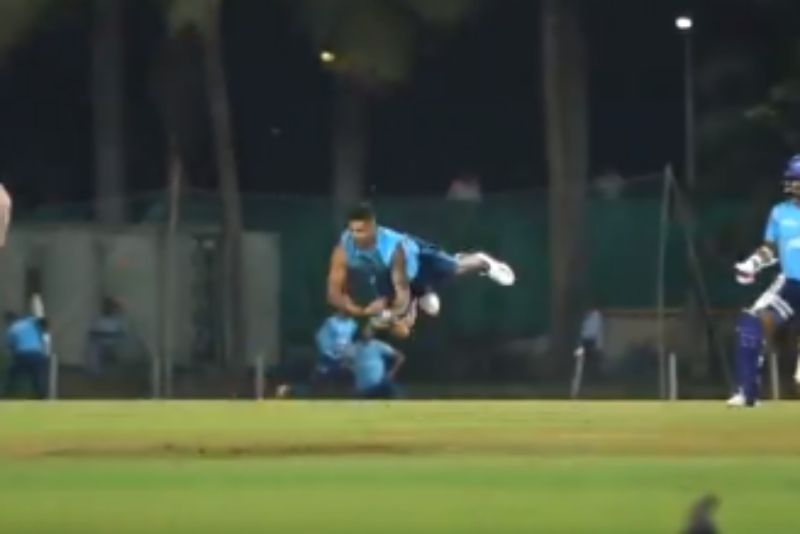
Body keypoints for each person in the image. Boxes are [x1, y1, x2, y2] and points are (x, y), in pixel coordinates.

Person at [326, 202, 515, 339]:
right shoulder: (345, 246)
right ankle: (423, 293)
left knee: (455, 268)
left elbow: (401, 293)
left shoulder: (391, 250)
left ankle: (483, 262)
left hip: (419, 259)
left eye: (363, 231)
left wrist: (392, 314)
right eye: (354, 231)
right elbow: (336, 286)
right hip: (389, 276)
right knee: (422, 312)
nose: (358, 236)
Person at [733, 154, 800, 406]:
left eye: (799, 180)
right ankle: (747, 392)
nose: (795, 186)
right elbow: (770, 249)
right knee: (751, 322)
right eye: (793, 180)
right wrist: (753, 263)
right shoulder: (780, 213)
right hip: (791, 285)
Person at [346, 321, 404, 399]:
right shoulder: (354, 347)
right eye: (364, 331)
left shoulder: (378, 345)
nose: (366, 333)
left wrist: (391, 373)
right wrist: (353, 369)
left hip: (379, 384)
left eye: (368, 331)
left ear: (372, 333)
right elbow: (346, 362)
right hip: (363, 388)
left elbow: (400, 357)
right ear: (361, 333)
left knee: (392, 388)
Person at [4, 311, 49, 399]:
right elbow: (42, 321)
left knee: (12, 374)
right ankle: (42, 398)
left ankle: (6, 395)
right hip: (37, 353)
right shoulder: (29, 321)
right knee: (38, 377)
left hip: (22, 354)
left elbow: (11, 346)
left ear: (9, 320)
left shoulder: (11, 329)